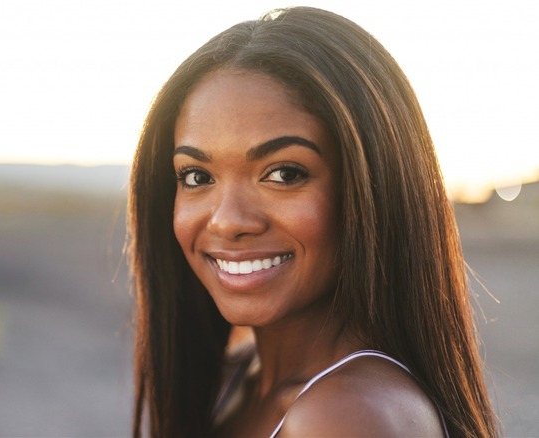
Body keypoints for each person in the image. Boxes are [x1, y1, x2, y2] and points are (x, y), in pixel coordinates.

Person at [128, 6, 498, 438]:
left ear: (372, 189)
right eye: (197, 176)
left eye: (285, 173)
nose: (228, 221)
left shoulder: (345, 418)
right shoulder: (235, 377)